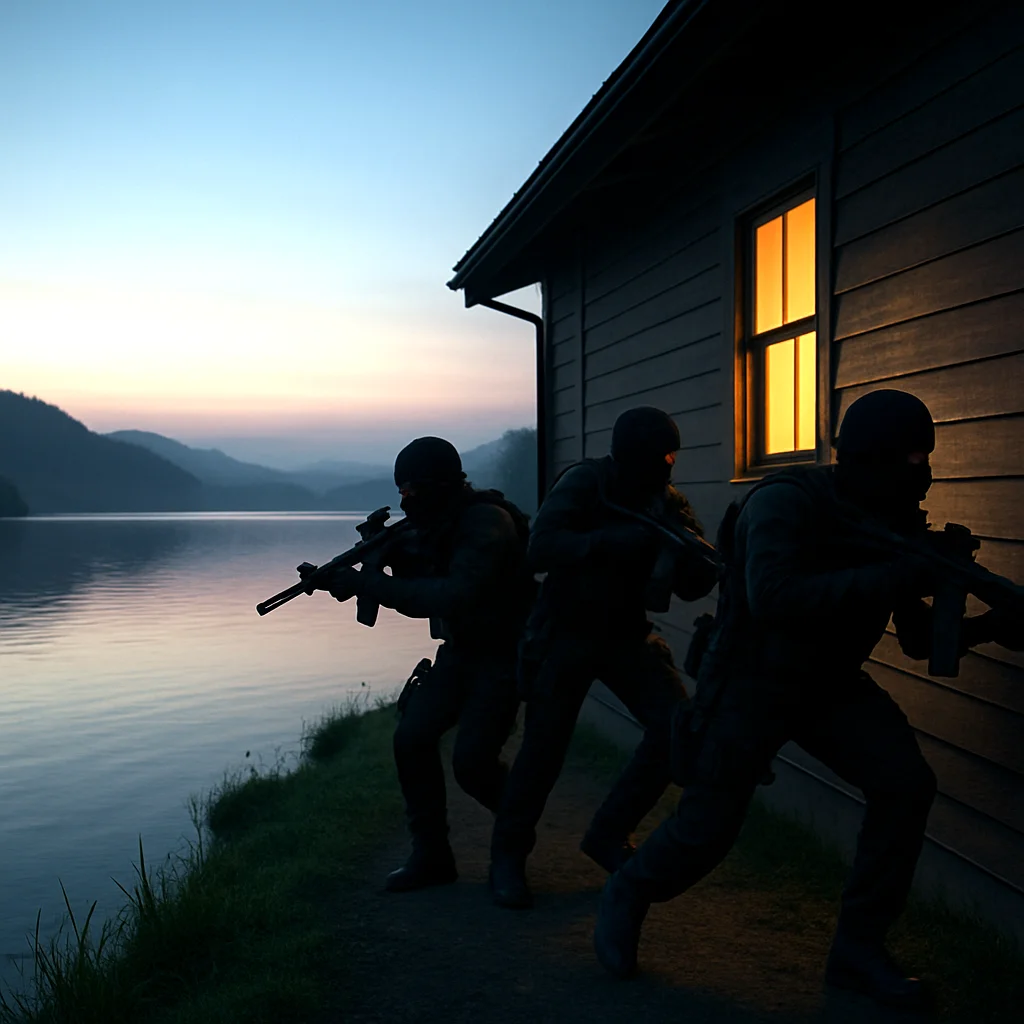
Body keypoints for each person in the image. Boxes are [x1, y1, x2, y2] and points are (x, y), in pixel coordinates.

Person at [593, 389, 1020, 1012]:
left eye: (926, 460)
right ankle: (628, 892)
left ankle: (857, 950)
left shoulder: (892, 519)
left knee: (904, 785)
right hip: (749, 681)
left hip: (830, 685)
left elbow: (921, 638)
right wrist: (905, 574)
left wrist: (991, 626)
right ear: (866, 459)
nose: (925, 476)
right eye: (912, 461)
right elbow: (775, 597)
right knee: (704, 832)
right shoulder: (787, 501)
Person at [488, 407, 719, 909]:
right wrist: (608, 541)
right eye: (659, 456)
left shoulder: (666, 503)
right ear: (632, 455)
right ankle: (506, 857)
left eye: (670, 457)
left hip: (625, 636)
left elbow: (693, 580)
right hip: (565, 631)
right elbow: (539, 548)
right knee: (542, 751)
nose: (667, 467)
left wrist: (691, 563)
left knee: (675, 731)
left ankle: (608, 835)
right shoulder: (586, 483)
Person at [326, 436, 534, 892]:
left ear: (443, 484)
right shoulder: (435, 524)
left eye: (413, 491)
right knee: (411, 738)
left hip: (501, 658)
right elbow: (417, 575)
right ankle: (431, 856)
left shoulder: (486, 523)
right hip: (460, 655)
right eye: (401, 492)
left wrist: (370, 585)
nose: (406, 501)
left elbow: (449, 594)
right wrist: (350, 580)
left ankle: (512, 851)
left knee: (474, 764)